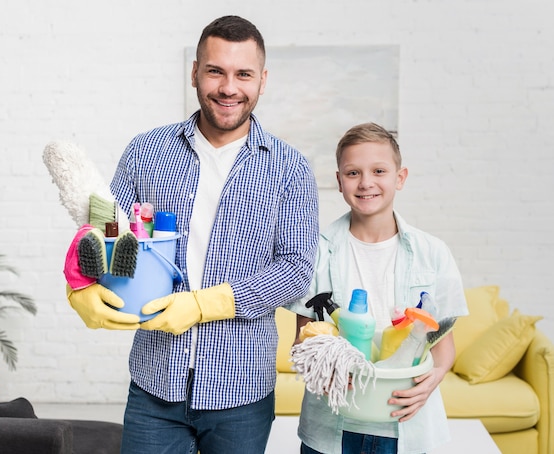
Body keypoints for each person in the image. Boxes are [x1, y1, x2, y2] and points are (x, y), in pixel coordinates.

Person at [65, 15, 319, 454]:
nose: (228, 87)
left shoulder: (289, 168)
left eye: (243, 74)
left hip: (241, 388)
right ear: (195, 72)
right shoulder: (147, 152)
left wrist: (205, 305)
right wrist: (78, 286)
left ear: (262, 80)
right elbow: (106, 231)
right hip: (154, 382)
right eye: (215, 70)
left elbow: (296, 270)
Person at [286, 122, 468, 454]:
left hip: (406, 424)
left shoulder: (433, 253)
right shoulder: (315, 252)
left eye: (379, 170)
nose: (366, 182)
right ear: (339, 182)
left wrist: (433, 380)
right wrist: (325, 372)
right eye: (353, 173)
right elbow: (304, 340)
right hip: (332, 429)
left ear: (400, 177)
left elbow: (442, 347)